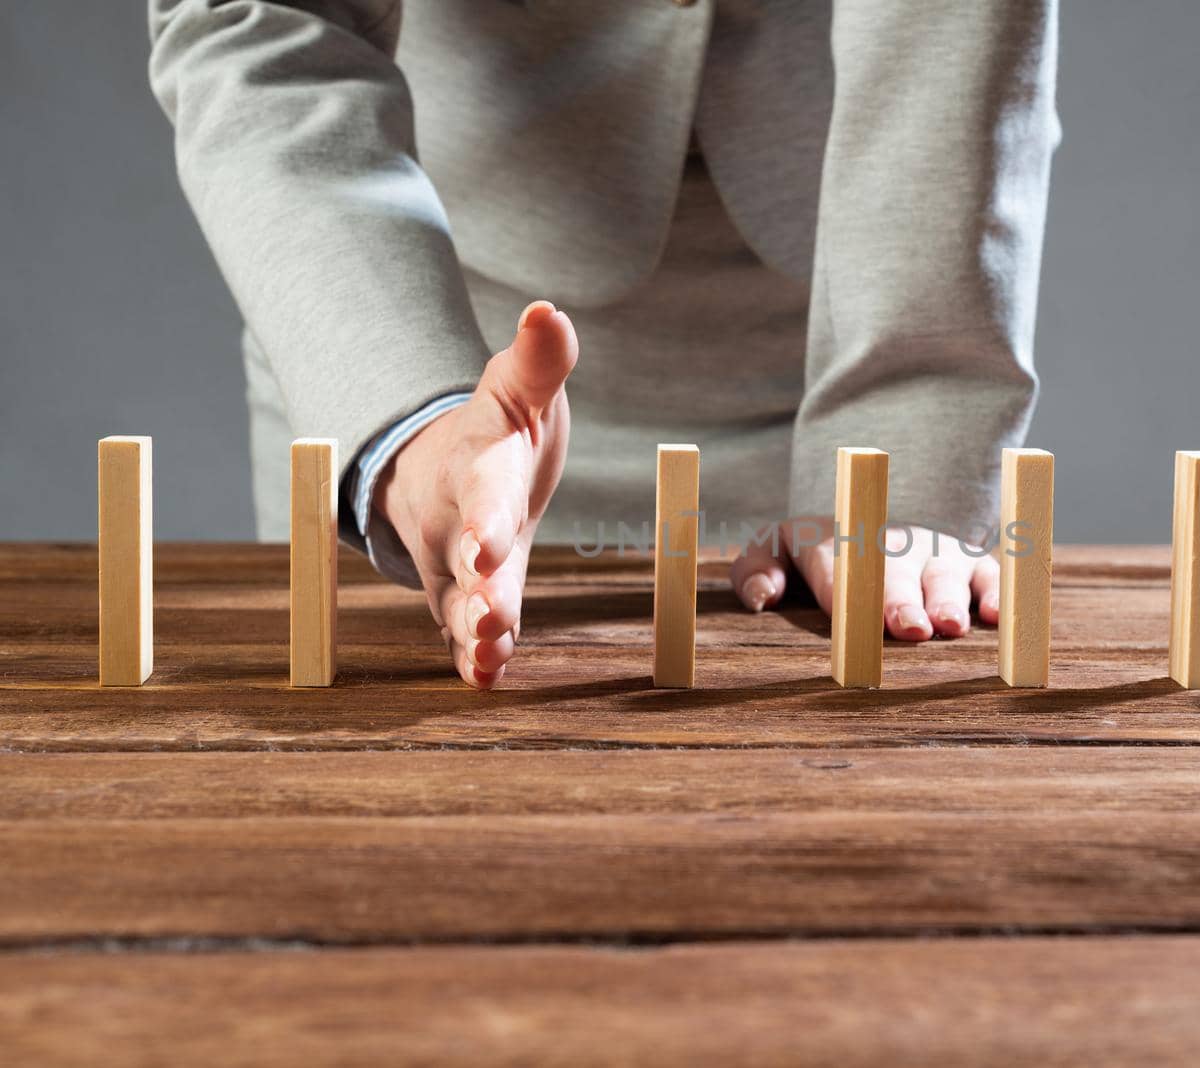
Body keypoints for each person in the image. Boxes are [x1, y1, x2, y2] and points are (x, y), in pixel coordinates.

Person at [148, 0, 1060, 688]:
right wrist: (411, 420)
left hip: (851, 326)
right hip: (410, 314)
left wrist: (901, 440)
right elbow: (261, 17)